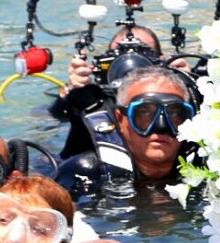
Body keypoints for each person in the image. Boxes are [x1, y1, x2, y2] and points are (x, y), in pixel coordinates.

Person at [54, 65, 202, 194]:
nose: (161, 127)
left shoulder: (209, 167)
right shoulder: (85, 173)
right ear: (120, 119)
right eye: (144, 113)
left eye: (174, 113)